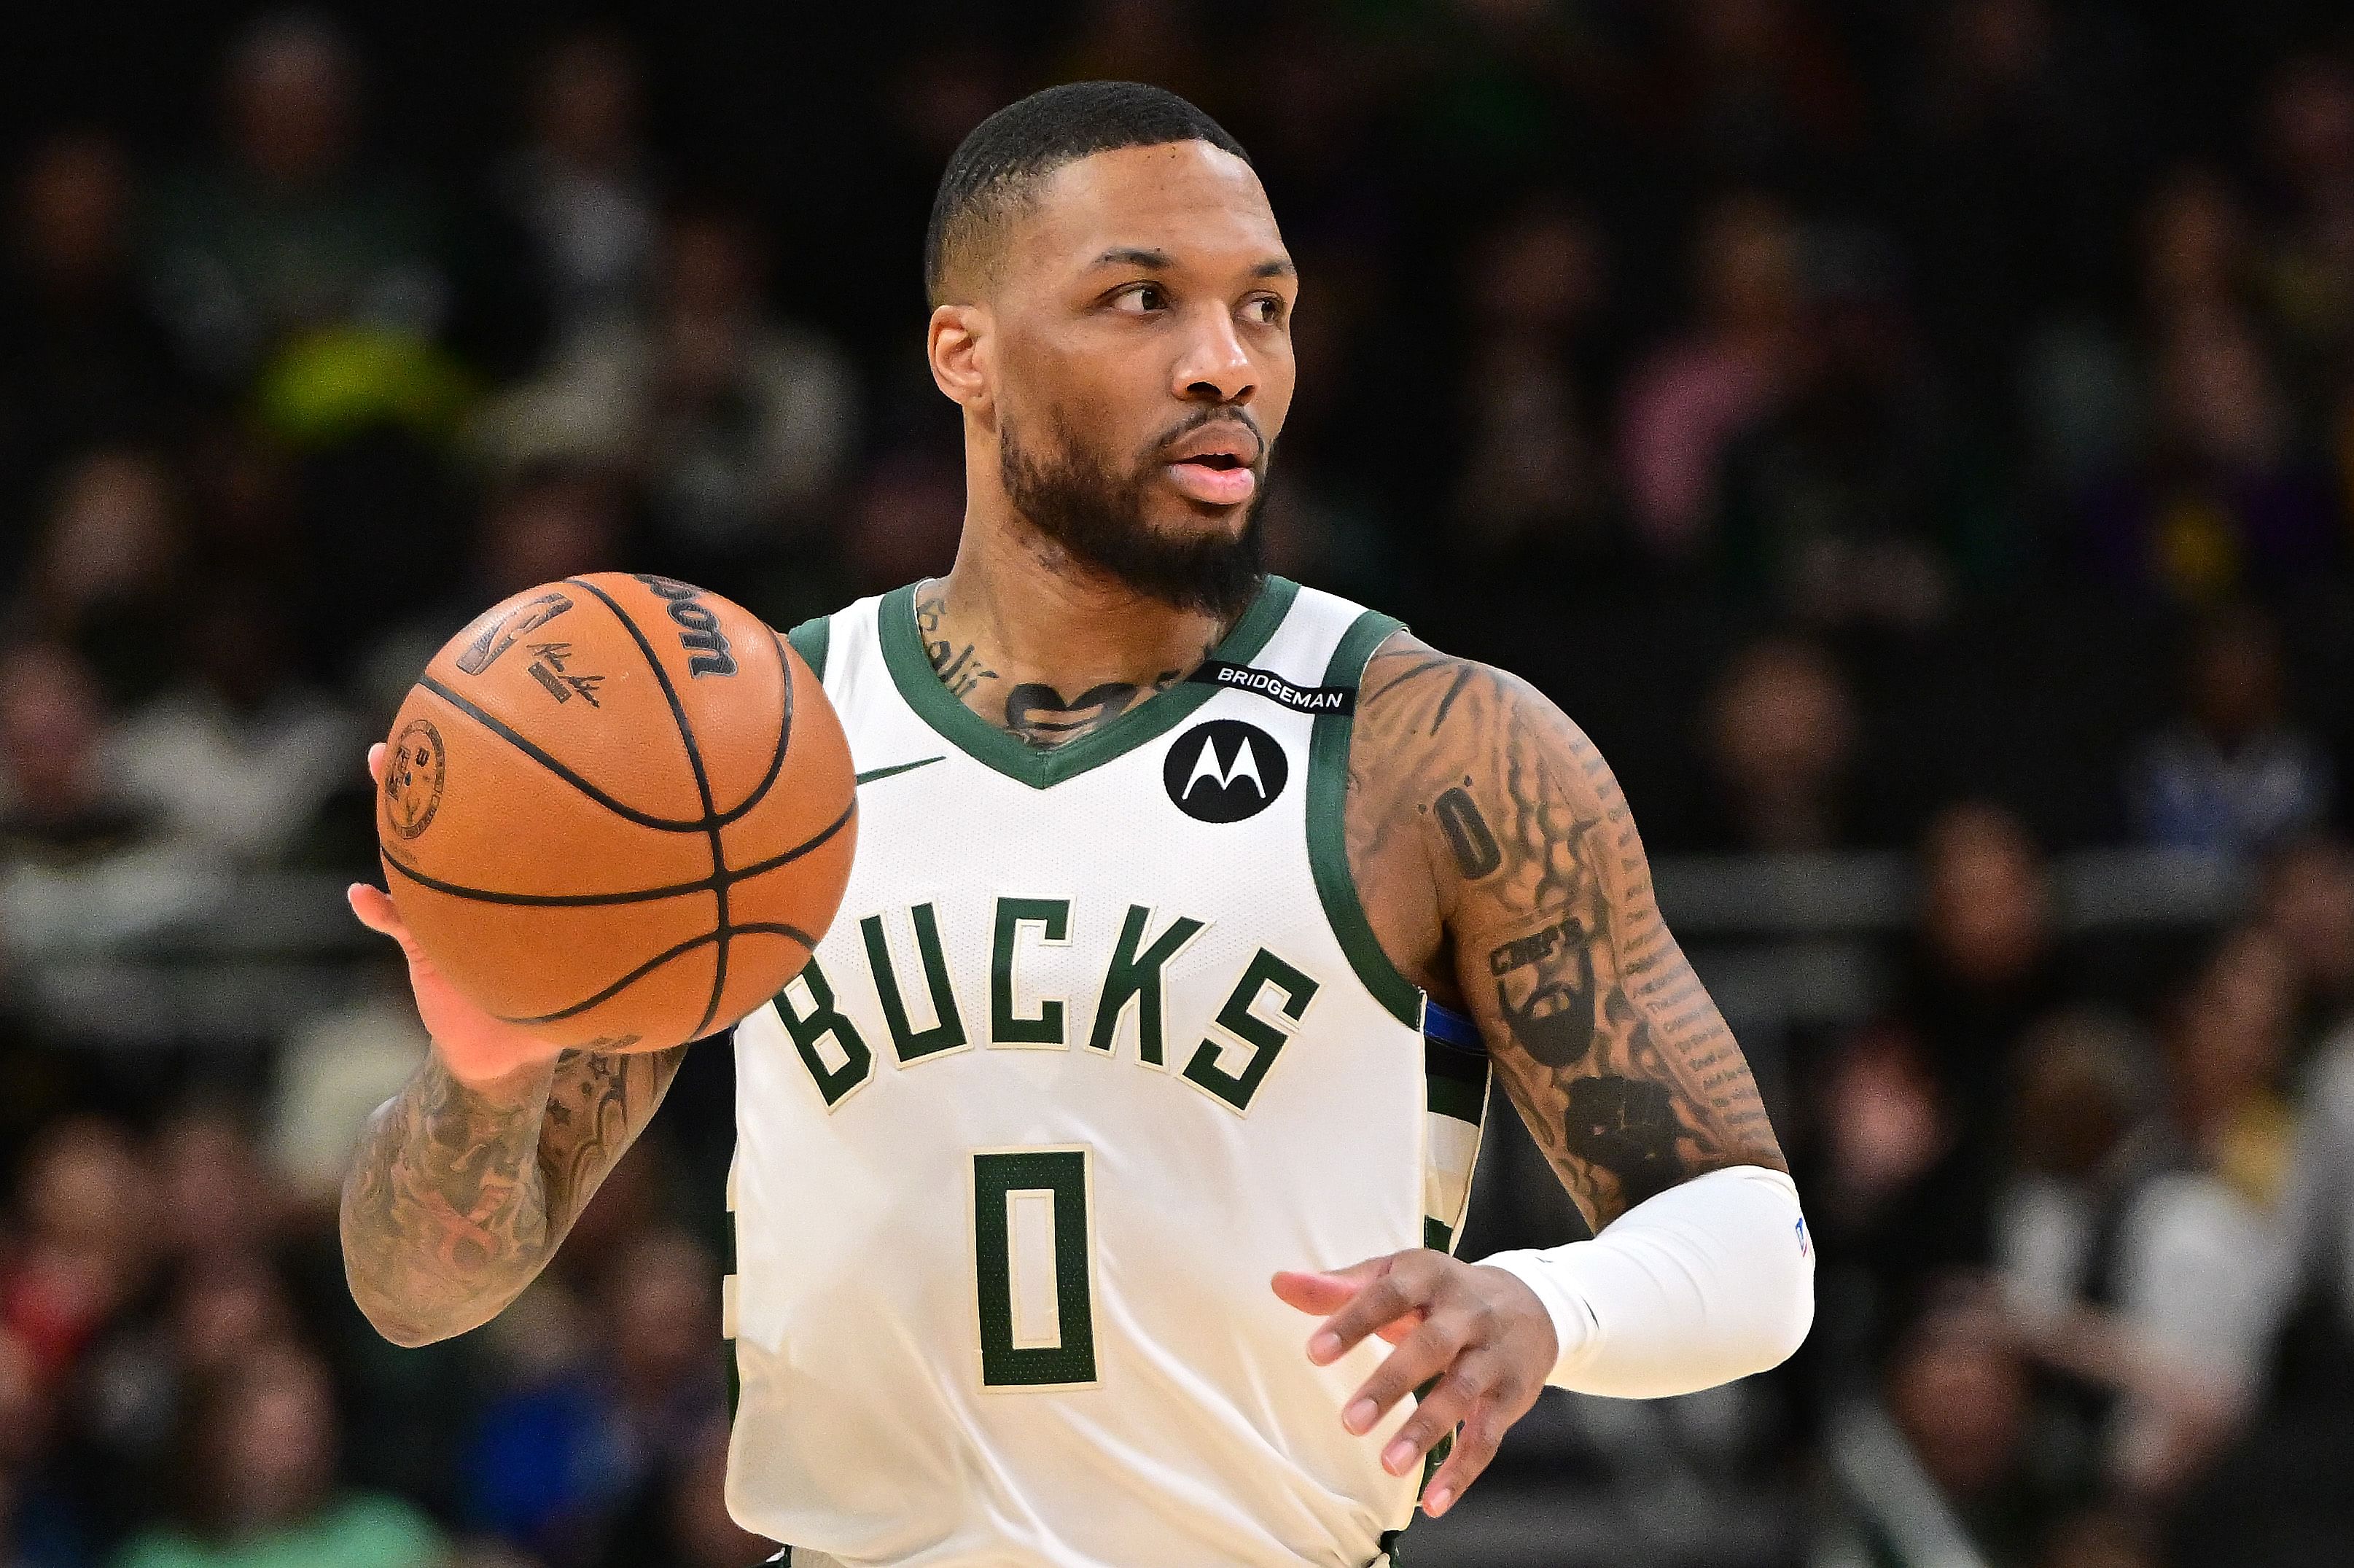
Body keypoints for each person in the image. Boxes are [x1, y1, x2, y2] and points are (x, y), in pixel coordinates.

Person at [337, 84, 1813, 1567]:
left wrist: (1549, 1305)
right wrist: (489, 1067)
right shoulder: (751, 750)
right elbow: (417, 1286)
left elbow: (1755, 1245)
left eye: (1266, 306)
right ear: (962, 352)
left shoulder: (1432, 745)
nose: (1223, 361)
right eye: (1139, 301)